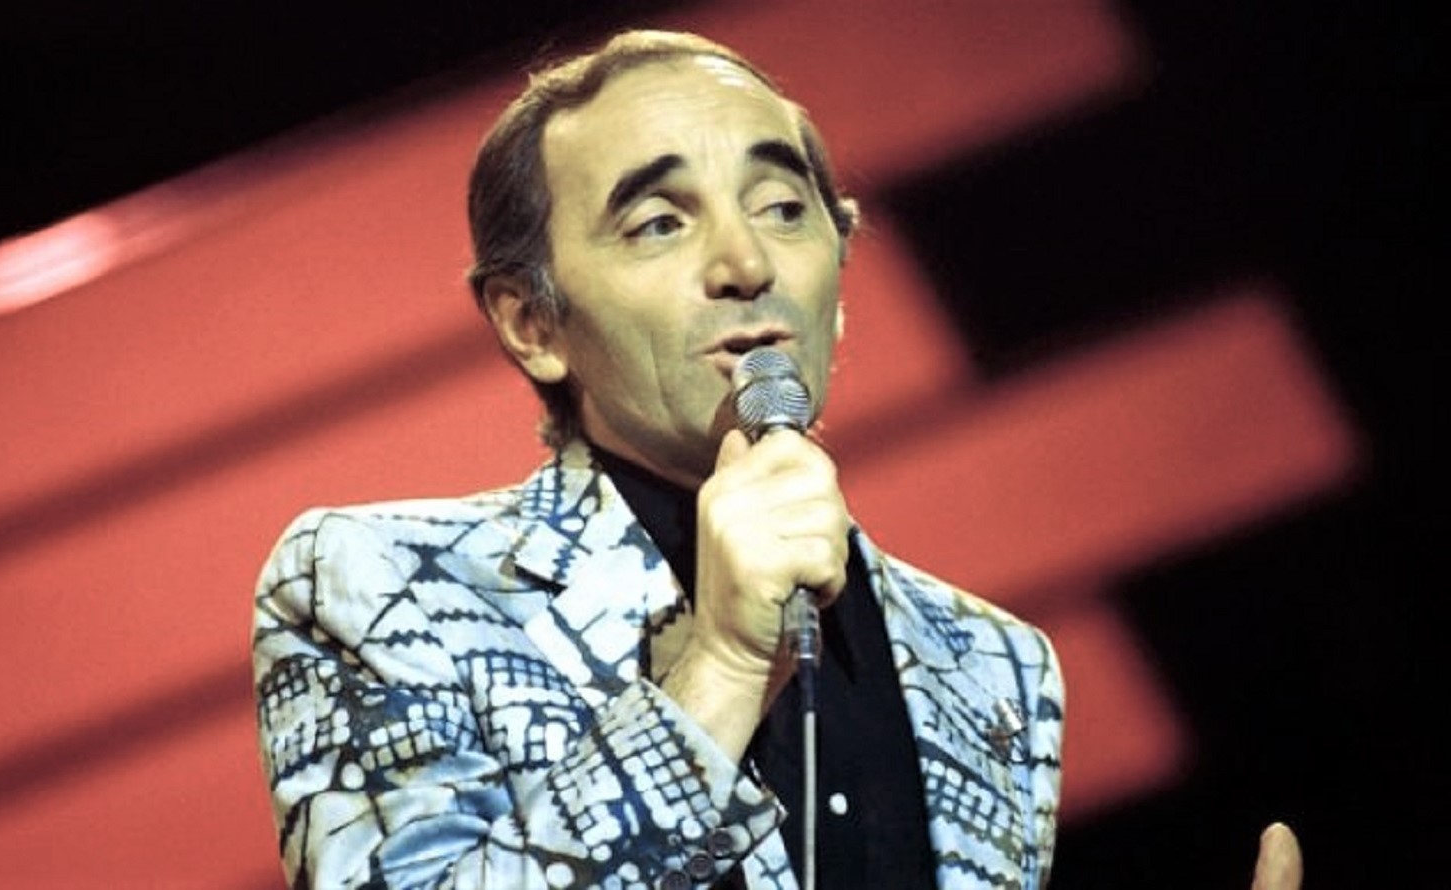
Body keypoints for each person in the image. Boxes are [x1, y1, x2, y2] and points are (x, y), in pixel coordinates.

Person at [251, 29, 1302, 890]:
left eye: (784, 209)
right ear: (533, 323)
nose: (746, 262)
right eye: (658, 223)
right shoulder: (377, 587)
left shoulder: (997, 667)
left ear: (838, 283)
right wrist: (718, 669)